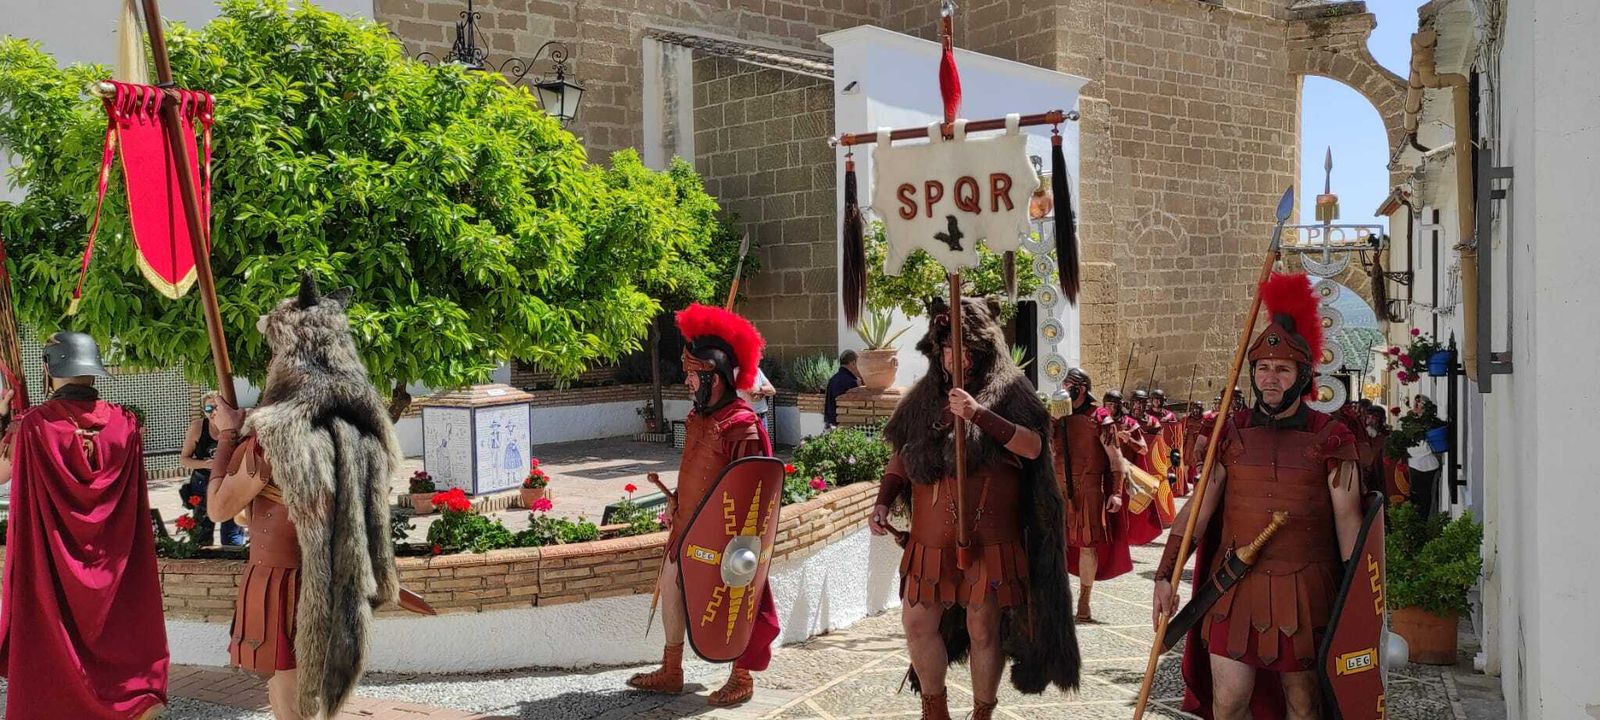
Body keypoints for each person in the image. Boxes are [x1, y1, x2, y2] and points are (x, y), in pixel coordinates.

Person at [1152, 273, 1363, 720]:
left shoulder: (1332, 439)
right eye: (1263, 369)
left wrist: (1358, 603)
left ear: (1303, 375)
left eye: (1282, 369)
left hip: (1308, 591)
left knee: (1304, 705)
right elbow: (1198, 513)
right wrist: (1164, 575)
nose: (1270, 378)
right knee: (1228, 704)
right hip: (1233, 587)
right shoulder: (1229, 435)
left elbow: (1349, 522)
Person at [867, 297, 1079, 720]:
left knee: (983, 629)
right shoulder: (924, 397)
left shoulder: (1012, 389)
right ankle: (935, 709)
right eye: (945, 348)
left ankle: (982, 712)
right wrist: (884, 500)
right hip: (930, 542)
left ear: (982, 348)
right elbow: (901, 455)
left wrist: (979, 414)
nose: (953, 356)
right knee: (916, 624)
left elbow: (1034, 447)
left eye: (961, 347)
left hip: (991, 539)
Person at [206, 275, 401, 720]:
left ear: (287, 355)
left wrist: (228, 435)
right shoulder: (368, 433)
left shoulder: (274, 438)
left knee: (289, 700)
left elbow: (219, 507)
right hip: (341, 582)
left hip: (286, 583)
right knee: (319, 704)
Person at [0, 332, 168, 719]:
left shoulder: (33, 427)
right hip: (113, 564)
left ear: (48, 368)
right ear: (93, 370)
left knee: (55, 644)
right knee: (117, 633)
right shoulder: (125, 423)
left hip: (54, 569)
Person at [630, 303, 780, 707]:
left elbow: (753, 494)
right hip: (687, 527)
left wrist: (733, 540)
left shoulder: (743, 425)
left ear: (714, 378)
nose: (687, 382)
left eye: (693, 375)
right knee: (672, 588)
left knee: (738, 600)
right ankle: (672, 669)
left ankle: (743, 674)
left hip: (726, 541)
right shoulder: (700, 419)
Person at [1051, 368, 1133, 623]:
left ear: (1082, 389)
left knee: (1086, 545)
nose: (1065, 388)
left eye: (1070, 384)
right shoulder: (1056, 416)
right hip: (1058, 488)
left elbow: (1115, 457)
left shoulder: (1100, 418)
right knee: (1055, 546)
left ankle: (1084, 599)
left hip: (1089, 488)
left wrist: (1117, 493)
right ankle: (1057, 599)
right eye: (1064, 383)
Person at [179, 391, 245, 546]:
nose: (214, 413)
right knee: (202, 531)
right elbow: (184, 459)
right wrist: (206, 464)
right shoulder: (197, 428)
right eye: (209, 409)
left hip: (229, 481)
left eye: (217, 408)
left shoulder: (237, 427)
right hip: (203, 482)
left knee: (232, 531)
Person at [1104, 389, 1164, 545]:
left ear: (1120, 405)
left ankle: (1120, 546)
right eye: (1107, 405)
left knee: (1121, 516)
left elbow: (1143, 449)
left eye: (1113, 405)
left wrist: (1129, 439)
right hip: (1102, 474)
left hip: (1123, 476)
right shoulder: (1100, 422)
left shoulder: (1130, 424)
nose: (1109, 409)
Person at [1405, 394, 1443, 519]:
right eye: (1416, 403)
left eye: (1420, 403)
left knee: (1429, 499)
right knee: (1416, 499)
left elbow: (1432, 445)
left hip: (1430, 466)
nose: (1417, 405)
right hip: (1415, 466)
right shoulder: (1409, 422)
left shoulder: (1432, 423)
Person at [823, 350, 864, 427]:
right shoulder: (851, 382)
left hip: (830, 423)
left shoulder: (833, 379)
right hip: (843, 426)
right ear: (853, 363)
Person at [738, 365, 777, 437]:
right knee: (751, 446)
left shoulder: (757, 371)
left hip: (762, 417)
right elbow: (754, 397)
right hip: (748, 418)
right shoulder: (739, 372)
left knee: (764, 446)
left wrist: (760, 389)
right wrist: (764, 392)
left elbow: (773, 390)